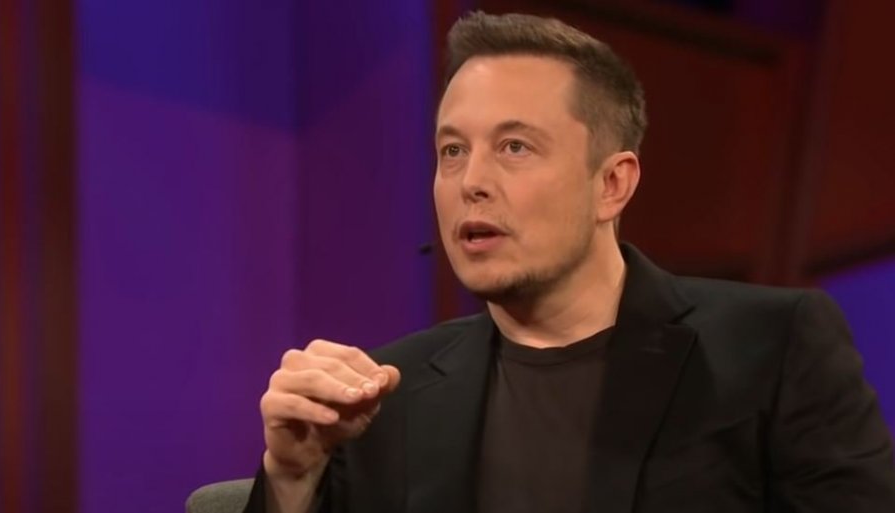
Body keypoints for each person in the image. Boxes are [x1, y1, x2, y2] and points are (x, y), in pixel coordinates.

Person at [245, 11, 895, 513]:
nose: (471, 182)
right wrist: (292, 480)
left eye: (515, 146)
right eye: (451, 151)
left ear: (612, 184)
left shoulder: (771, 347)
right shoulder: (386, 395)